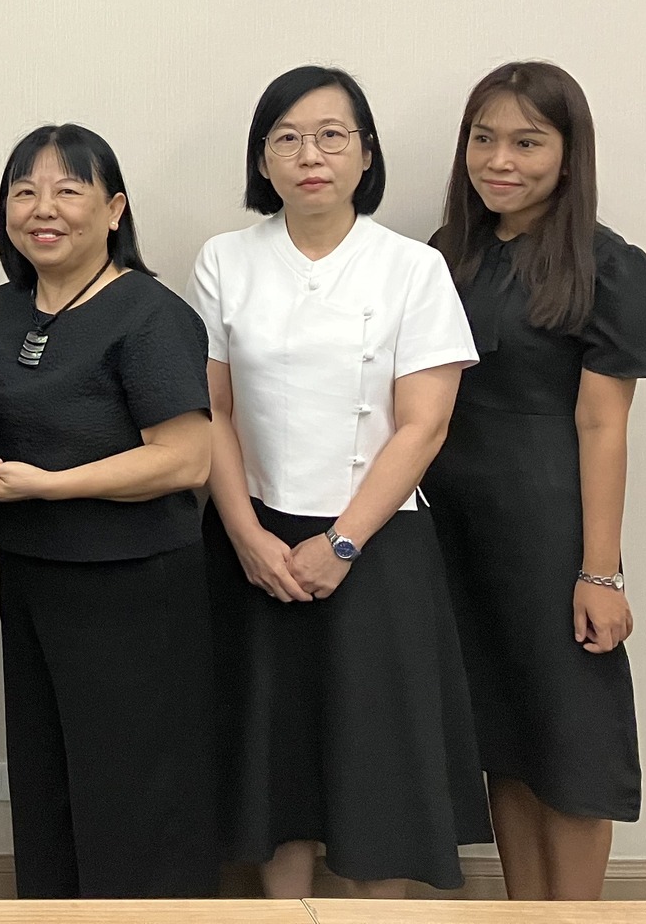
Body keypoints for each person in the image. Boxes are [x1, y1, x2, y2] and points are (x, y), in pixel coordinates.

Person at [192, 65, 489, 898]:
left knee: (379, 768)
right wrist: (247, 536)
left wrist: (344, 540)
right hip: (254, 540)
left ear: (366, 152)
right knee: (274, 767)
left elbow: (424, 424)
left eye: (331, 135)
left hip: (379, 543)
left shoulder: (411, 268)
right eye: (286, 138)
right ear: (262, 159)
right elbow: (212, 410)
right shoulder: (225, 260)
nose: (309, 155)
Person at [0, 124, 217, 898]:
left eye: (69, 189)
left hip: (133, 586)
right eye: (24, 191)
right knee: (48, 786)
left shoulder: (150, 313)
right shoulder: (2, 310)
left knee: (133, 794)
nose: (44, 208)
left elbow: (186, 458)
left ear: (114, 210)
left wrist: (51, 485)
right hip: (32, 575)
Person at [425, 62, 646, 900]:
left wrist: (599, 572)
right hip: (451, 527)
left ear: (569, 154)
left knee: (570, 741)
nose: (500, 161)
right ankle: (525, 913)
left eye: (527, 142)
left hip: (549, 526)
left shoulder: (610, 265)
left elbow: (603, 426)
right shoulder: (444, 256)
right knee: (503, 734)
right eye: (483, 138)